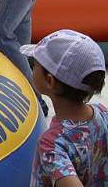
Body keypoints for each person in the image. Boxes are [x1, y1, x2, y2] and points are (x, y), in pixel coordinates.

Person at [20, 29, 107, 186]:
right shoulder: (102, 113)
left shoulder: (52, 144)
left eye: (35, 64)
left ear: (50, 81)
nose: (32, 68)